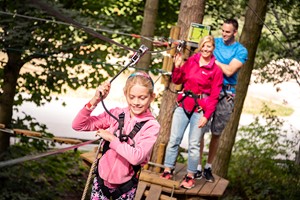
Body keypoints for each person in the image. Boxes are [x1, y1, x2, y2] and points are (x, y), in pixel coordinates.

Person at [72, 71, 160, 200]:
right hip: (101, 182)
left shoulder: (151, 126)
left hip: (125, 188)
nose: (136, 102)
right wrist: (95, 99)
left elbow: (137, 157)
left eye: (142, 98)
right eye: (132, 97)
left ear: (152, 97)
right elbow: (79, 125)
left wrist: (111, 139)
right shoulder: (116, 114)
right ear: (125, 94)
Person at [160, 35, 223, 189]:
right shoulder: (192, 62)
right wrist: (178, 67)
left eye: (209, 46)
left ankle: (190, 176)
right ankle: (168, 170)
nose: (206, 49)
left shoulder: (216, 70)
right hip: (183, 104)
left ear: (213, 48)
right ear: (200, 47)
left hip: (200, 109)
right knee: (174, 139)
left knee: (194, 144)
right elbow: (177, 80)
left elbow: (215, 96)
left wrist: (207, 116)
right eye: (204, 46)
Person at [195, 18, 248, 182]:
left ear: (235, 32)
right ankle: (196, 167)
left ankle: (208, 167)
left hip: (226, 93)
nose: (224, 34)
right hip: (209, 90)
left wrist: (213, 60)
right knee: (200, 129)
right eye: (223, 31)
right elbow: (198, 53)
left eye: (228, 32)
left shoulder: (241, 50)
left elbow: (230, 71)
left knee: (216, 133)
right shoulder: (214, 42)